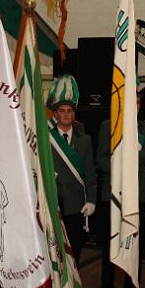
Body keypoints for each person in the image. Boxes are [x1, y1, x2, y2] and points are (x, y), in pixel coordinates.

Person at [94, 94, 145, 288]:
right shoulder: (108, 126)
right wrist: (120, 169)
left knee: (135, 244)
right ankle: (106, 287)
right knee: (109, 243)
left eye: (137, 102)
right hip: (113, 194)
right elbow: (101, 159)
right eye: (131, 101)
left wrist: (124, 158)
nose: (134, 105)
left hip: (138, 194)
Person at [46, 75, 96, 265]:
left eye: (69, 111)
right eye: (62, 111)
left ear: (73, 115)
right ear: (55, 114)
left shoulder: (85, 140)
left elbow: (90, 174)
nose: (66, 114)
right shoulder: (46, 138)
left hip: (76, 204)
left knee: (74, 248)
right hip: (54, 202)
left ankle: (73, 281)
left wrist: (91, 200)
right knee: (54, 249)